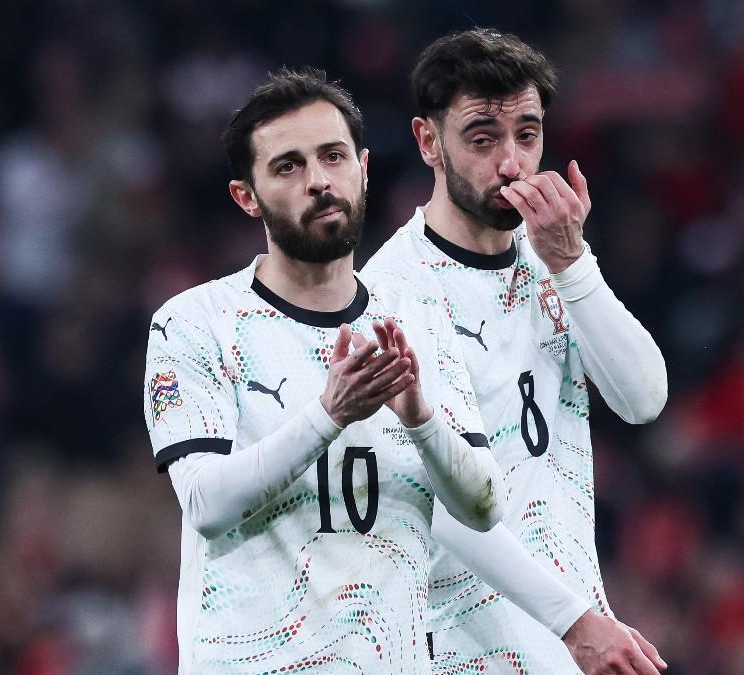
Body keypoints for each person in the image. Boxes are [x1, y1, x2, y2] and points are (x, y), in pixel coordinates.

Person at [143, 66, 505, 673]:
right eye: (288, 166)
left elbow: (483, 506)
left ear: (363, 168)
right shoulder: (194, 322)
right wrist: (328, 414)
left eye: (333, 156)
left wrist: (421, 420)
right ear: (246, 196)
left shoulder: (417, 319)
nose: (318, 181)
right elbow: (205, 503)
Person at [362, 29, 670, 675]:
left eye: (527, 135)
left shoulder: (551, 257)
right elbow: (435, 499)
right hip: (461, 646)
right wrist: (576, 622)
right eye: (482, 138)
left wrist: (573, 263)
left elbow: (643, 400)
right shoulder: (391, 294)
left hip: (567, 635)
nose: (511, 162)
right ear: (427, 140)